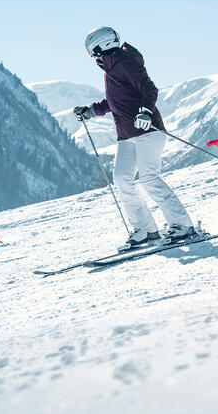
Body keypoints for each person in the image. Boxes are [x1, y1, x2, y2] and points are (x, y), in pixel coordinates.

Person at [74, 26, 195, 250]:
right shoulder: (110, 70)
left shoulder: (126, 62)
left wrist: (146, 111)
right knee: (121, 178)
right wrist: (90, 111)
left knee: (149, 177)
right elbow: (114, 101)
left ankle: (182, 225)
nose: (93, 56)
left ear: (103, 46)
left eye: (93, 51)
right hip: (127, 134)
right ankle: (146, 230)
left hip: (148, 130)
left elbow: (149, 88)